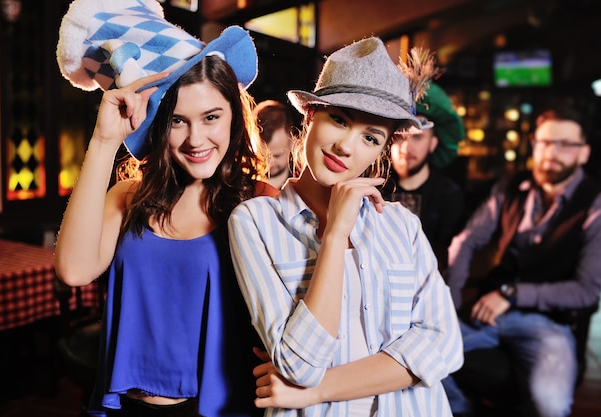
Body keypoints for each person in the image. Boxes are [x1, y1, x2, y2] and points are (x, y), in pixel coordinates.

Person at [54, 0, 275, 416]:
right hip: (127, 406)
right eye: (177, 120)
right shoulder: (128, 197)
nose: (196, 139)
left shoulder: (259, 201)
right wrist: (104, 142)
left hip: (219, 408)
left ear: (233, 115)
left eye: (211, 117)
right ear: (158, 124)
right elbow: (73, 270)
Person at [228, 37, 463, 417]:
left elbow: (444, 344)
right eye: (339, 120)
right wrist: (335, 235)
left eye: (370, 137)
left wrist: (314, 392)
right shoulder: (256, 223)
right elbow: (298, 365)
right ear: (310, 116)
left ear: (381, 150)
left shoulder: (401, 225)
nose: (346, 147)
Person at [443, 105, 601, 417]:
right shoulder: (511, 186)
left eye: (565, 145)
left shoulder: (594, 204)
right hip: (486, 313)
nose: (550, 153)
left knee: (551, 406)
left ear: (583, 154)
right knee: (422, 361)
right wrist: (447, 302)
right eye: (543, 143)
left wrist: (511, 294)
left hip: (550, 324)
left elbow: (585, 291)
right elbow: (468, 240)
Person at [382, 83, 466, 271]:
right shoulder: (375, 189)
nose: (406, 148)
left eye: (417, 137)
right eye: (399, 137)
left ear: (433, 143)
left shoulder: (449, 196)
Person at [254, 100, 296, 189]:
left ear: (292, 143)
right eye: (262, 156)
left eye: (276, 156)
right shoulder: (239, 183)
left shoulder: (304, 185)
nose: (269, 164)